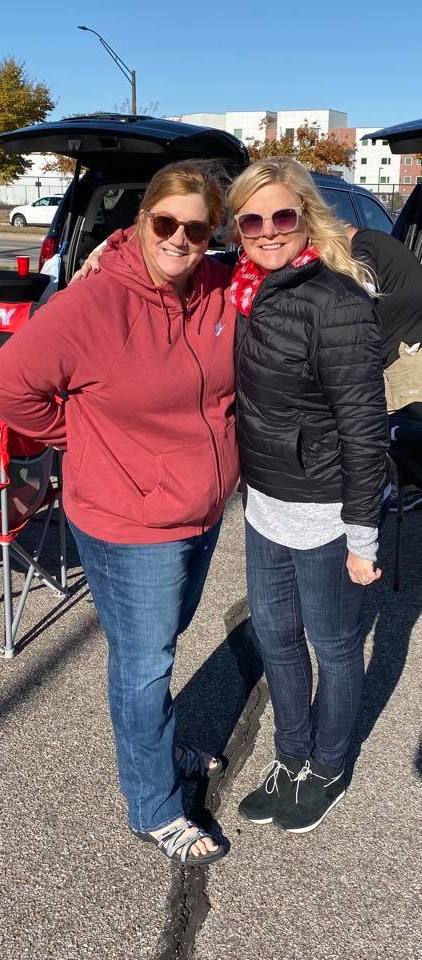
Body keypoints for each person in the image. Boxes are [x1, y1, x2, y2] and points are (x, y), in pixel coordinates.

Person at [0, 161, 240, 867]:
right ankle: (154, 805)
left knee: (161, 641)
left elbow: (296, 257)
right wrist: (81, 437)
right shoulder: (93, 305)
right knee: (144, 662)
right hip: (128, 524)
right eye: (167, 223)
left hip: (202, 508)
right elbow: (5, 385)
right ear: (142, 220)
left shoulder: (222, 288)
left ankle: (155, 743)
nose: (180, 239)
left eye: (197, 227)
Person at [227, 158, 389, 834]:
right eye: (252, 219)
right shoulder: (243, 286)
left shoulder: (337, 300)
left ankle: (327, 765)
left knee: (335, 644)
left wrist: (362, 537)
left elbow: (363, 427)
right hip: (265, 504)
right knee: (275, 638)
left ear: (305, 217)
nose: (267, 231)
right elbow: (159, 247)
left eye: (281, 217)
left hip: (325, 512)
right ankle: (290, 757)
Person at [347, 224, 422, 511]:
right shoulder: (377, 240)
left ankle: (410, 491)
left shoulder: (362, 246)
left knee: (406, 426)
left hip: (408, 349)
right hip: (404, 344)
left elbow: (361, 290)